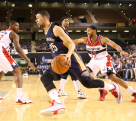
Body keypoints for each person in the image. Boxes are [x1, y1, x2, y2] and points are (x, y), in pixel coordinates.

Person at [36, 10, 122, 116]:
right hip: (60, 62)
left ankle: (113, 88)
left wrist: (68, 55)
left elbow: (71, 43)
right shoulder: (46, 31)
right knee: (45, 77)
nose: (36, 20)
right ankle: (57, 103)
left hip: (72, 59)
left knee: (88, 83)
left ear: (45, 18)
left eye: (38, 18)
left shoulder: (55, 28)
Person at [73, 25, 136, 102]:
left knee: (113, 78)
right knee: (87, 76)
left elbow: (114, 45)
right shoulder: (85, 40)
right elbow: (75, 41)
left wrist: (120, 51)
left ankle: (134, 92)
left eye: (89, 30)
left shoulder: (102, 39)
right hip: (93, 60)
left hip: (104, 59)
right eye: (87, 31)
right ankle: (102, 90)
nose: (87, 32)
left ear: (94, 31)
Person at [0, 21, 35, 103]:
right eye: (16, 26)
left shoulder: (2, 32)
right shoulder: (13, 34)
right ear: (11, 26)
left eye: (18, 26)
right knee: (17, 71)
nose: (18, 28)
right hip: (1, 51)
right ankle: (19, 97)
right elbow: (18, 49)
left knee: (1, 72)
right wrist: (29, 62)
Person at [58, 16, 87, 99]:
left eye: (68, 21)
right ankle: (79, 92)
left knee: (65, 74)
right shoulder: (62, 31)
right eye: (65, 20)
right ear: (61, 23)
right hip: (66, 55)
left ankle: (60, 90)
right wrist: (77, 42)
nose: (67, 22)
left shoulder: (64, 32)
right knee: (74, 74)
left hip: (63, 55)